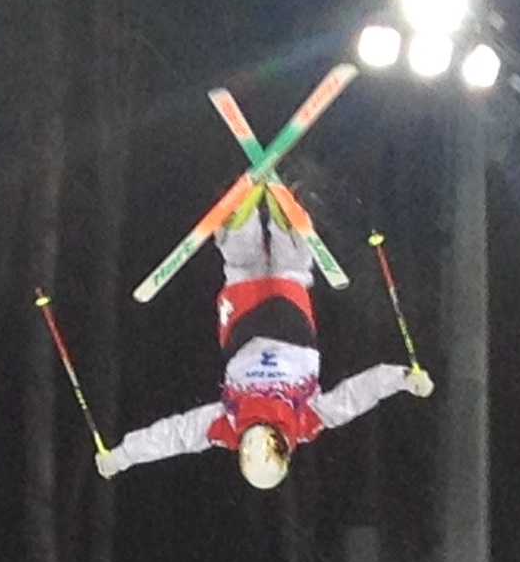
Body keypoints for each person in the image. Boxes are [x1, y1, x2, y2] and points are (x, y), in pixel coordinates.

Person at [96, 201, 431, 489]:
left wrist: (403, 378)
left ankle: (275, 227)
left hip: (286, 331)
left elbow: (356, 395)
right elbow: (174, 436)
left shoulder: (301, 423)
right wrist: (123, 457)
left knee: (281, 273)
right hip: (254, 331)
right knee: (250, 272)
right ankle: (257, 227)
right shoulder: (237, 425)